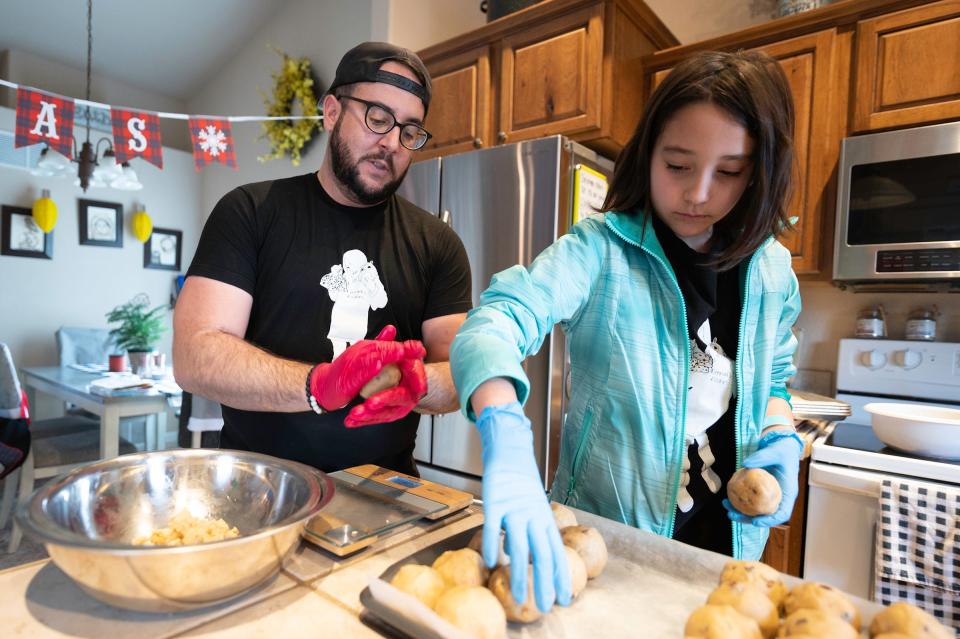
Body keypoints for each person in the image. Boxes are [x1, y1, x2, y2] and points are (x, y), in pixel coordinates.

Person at [450, 50, 803, 613]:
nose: (698, 194)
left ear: (759, 172)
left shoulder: (770, 271)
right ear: (647, 155)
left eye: (729, 172)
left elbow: (776, 382)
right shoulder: (599, 250)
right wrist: (501, 426)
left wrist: (783, 438)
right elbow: (494, 321)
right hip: (607, 546)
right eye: (678, 165)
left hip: (729, 553)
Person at [173, 42, 471, 476]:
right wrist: (319, 385)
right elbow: (194, 355)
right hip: (260, 488)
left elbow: (460, 371)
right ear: (332, 112)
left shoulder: (438, 243)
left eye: (409, 131)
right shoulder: (250, 212)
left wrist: (417, 383)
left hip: (384, 493)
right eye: (377, 117)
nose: (391, 142)